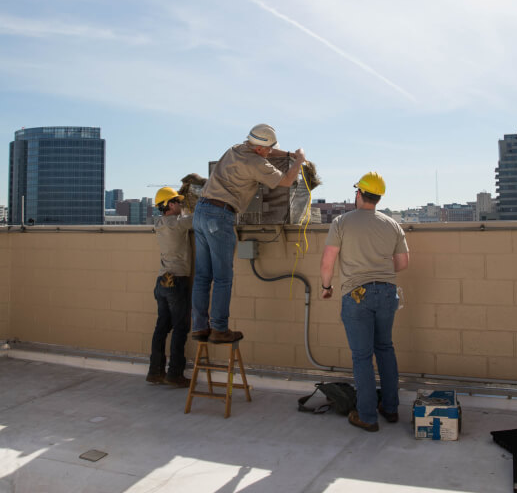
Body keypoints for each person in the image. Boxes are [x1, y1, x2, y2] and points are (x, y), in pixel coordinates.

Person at [192, 123, 306, 343]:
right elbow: (286, 181)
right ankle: (219, 329)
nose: (271, 152)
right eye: (269, 149)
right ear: (260, 150)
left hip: (201, 212)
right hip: (220, 216)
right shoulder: (255, 163)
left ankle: (199, 327)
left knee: (203, 276)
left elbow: (266, 150)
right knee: (223, 277)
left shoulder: (236, 149)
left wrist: (290, 153)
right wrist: (299, 160)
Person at [319, 172, 409, 432]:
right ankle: (390, 409)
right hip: (387, 292)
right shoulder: (392, 224)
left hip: (356, 294)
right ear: (378, 198)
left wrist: (327, 287)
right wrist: (378, 268)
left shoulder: (341, 222)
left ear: (358, 194)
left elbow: (327, 262)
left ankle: (367, 416)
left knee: (361, 357)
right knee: (385, 349)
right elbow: (402, 263)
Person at [146, 186, 193, 388]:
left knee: (161, 328)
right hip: (177, 281)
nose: (181, 205)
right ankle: (174, 374)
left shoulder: (159, 223)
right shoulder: (178, 224)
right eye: (178, 202)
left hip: (161, 282)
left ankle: (155, 372)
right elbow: (197, 217)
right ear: (171, 205)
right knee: (180, 328)